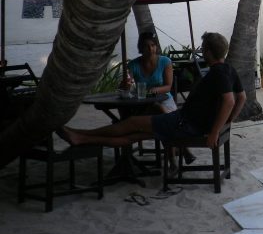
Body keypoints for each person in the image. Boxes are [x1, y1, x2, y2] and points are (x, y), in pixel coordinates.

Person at [62, 32, 246, 151]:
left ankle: (82, 135)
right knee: (134, 135)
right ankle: (81, 137)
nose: (202, 51)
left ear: (208, 51)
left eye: (203, 48)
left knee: (132, 122)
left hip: (184, 124)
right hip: (184, 121)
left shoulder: (218, 72)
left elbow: (230, 101)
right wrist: (227, 121)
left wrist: (215, 131)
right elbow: (242, 97)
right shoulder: (228, 69)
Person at [127, 31, 176, 113]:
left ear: (156, 46)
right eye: (146, 46)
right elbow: (128, 82)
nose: (150, 49)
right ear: (141, 48)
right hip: (142, 101)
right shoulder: (133, 64)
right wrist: (127, 84)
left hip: (164, 99)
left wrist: (154, 90)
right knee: (125, 109)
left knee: (158, 108)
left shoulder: (165, 61)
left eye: (153, 45)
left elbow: (168, 87)